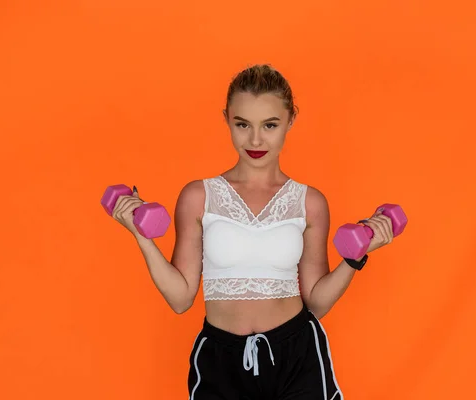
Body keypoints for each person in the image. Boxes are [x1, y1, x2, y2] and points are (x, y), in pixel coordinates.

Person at [111, 64, 395, 399]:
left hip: (296, 355)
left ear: (291, 120)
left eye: (270, 125)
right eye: (242, 124)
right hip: (221, 359)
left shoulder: (310, 202)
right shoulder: (198, 197)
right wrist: (141, 236)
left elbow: (315, 303)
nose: (256, 139)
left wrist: (354, 259)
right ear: (226, 119)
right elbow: (180, 298)